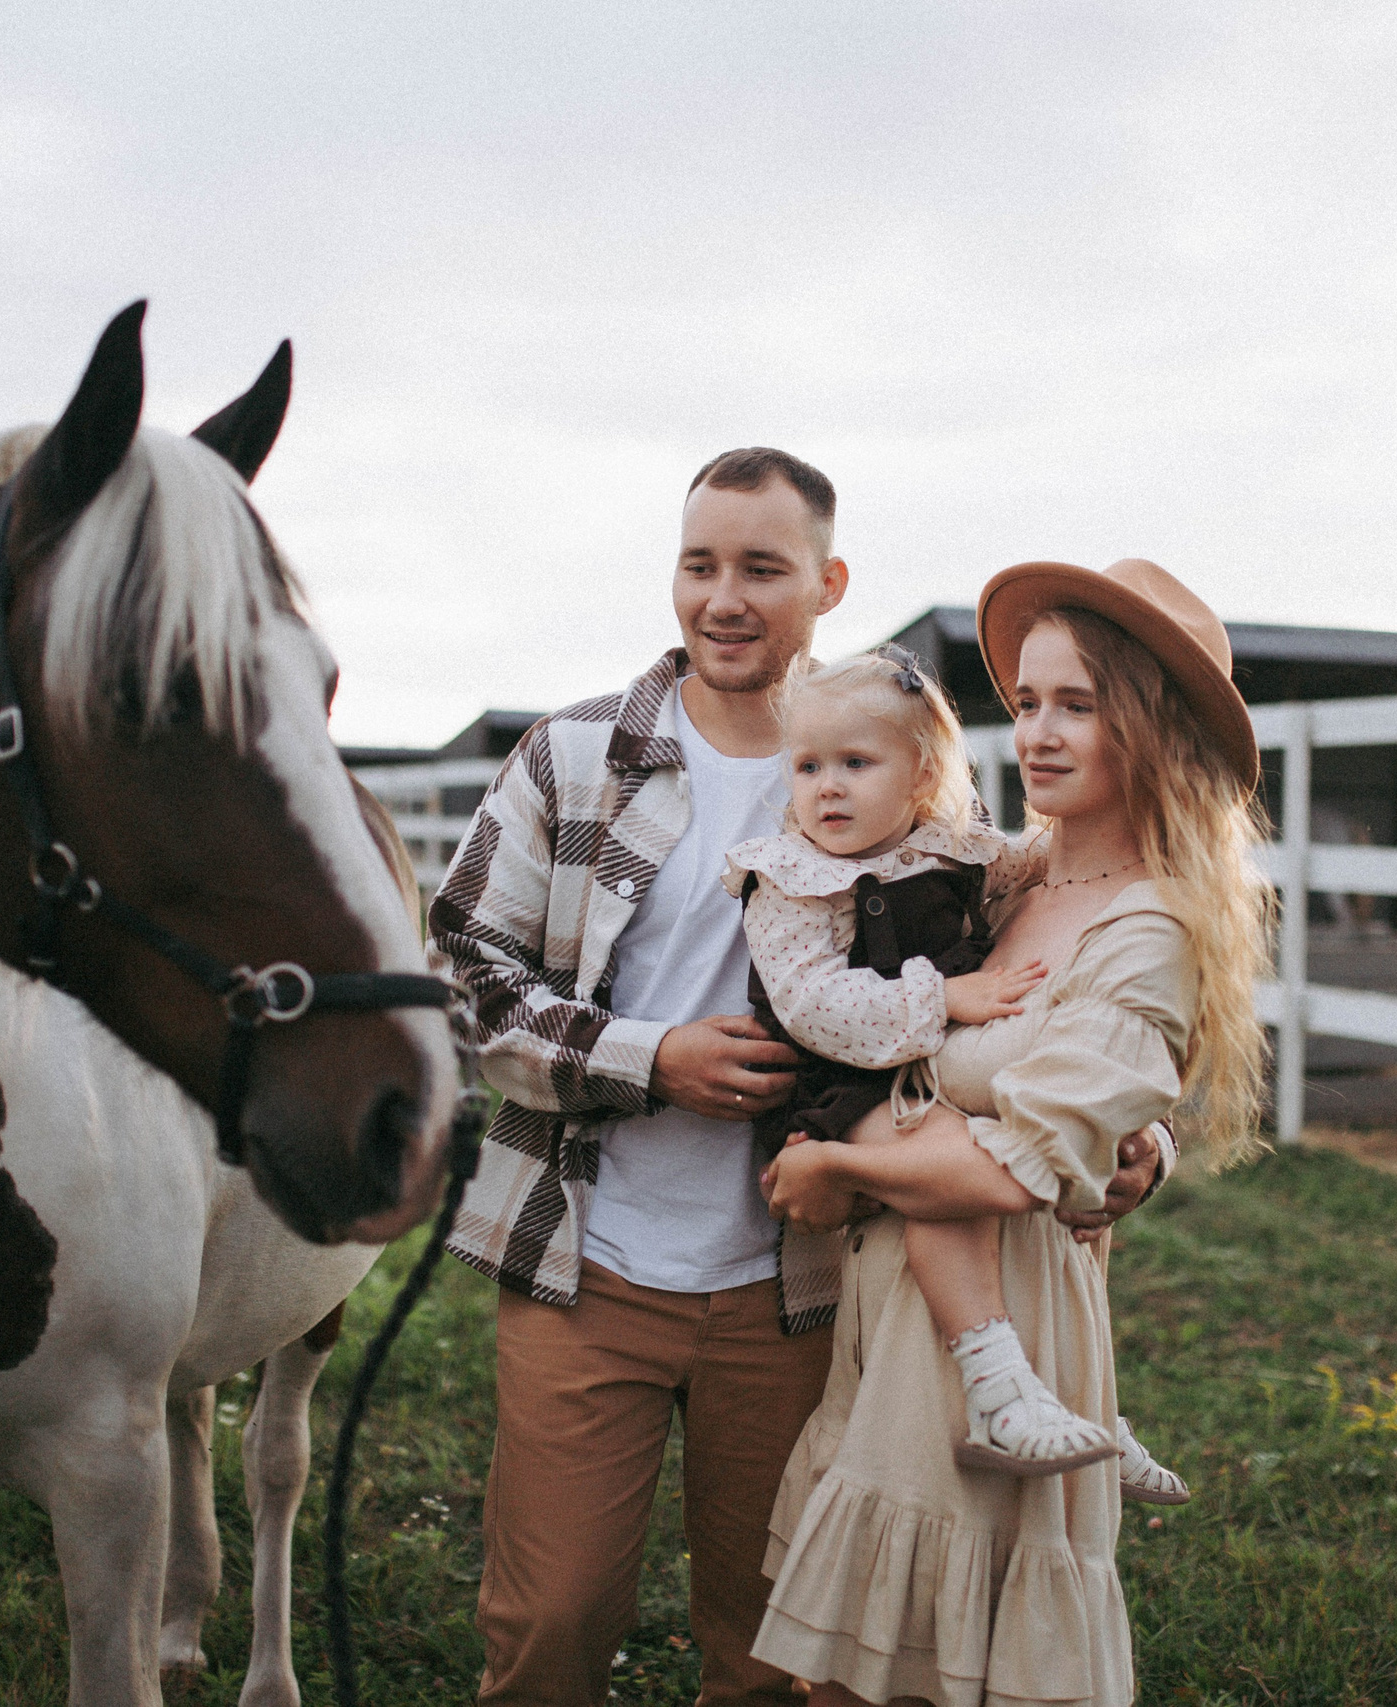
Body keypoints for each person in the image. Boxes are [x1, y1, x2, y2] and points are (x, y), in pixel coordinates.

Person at [430, 455, 1171, 1707]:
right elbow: (461, 969)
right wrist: (648, 1058)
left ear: (826, 584)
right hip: (590, 1262)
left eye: (761, 569)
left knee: (776, 1639)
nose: (722, 597)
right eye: (698, 564)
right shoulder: (572, 760)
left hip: (805, 1289)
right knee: (551, 1621)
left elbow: (1040, 982)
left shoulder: (913, 778)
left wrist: (1126, 1135)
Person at [750, 558, 1276, 1707]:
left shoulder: (1150, 926)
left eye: (1076, 705)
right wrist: (1138, 1144)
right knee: (839, 1676)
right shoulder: (1016, 878)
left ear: (1152, 727)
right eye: (1027, 701)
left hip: (1008, 1322)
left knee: (938, 1673)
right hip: (900, 1310)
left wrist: (837, 1167)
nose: (1035, 733)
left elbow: (1013, 1162)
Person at [725, 647, 1191, 1497]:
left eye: (856, 764)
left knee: (1038, 1190)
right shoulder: (789, 878)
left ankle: (1093, 1398)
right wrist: (945, 997)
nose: (826, 787)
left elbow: (1041, 870)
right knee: (943, 1159)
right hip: (840, 1086)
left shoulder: (947, 851)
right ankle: (997, 1381)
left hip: (909, 1078)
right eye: (806, 766)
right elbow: (814, 1008)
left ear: (921, 776)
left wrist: (1151, 1133)